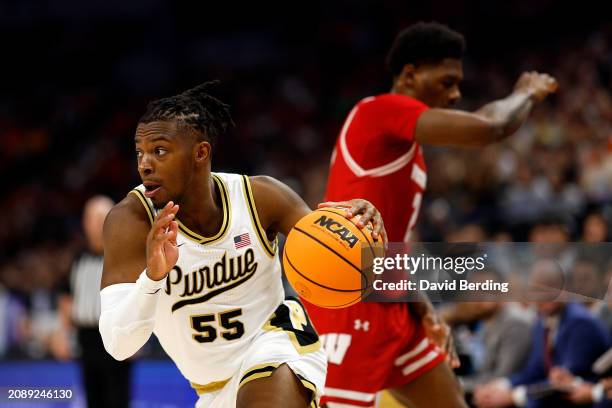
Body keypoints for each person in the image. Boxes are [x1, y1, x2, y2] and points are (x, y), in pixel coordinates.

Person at [304, 21, 557, 407]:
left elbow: (394, 247)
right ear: (410, 74)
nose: (456, 94)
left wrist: (419, 304)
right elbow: (491, 125)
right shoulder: (378, 112)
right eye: (447, 81)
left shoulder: (406, 147)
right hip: (351, 299)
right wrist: (526, 92)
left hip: (393, 305)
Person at [98, 82, 386, 408]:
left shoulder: (261, 198)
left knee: (271, 370)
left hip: (277, 343)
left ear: (200, 152)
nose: (144, 164)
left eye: (159, 151)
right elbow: (118, 346)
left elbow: (335, 253)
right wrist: (151, 278)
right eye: (140, 152)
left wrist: (364, 235)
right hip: (212, 390)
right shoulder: (130, 221)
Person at [61, 196, 132, 408]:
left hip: (117, 340)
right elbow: (66, 297)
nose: (98, 222)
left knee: (117, 400)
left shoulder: (126, 254)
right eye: (93, 217)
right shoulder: (77, 258)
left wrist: (138, 337)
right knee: (93, 399)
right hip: (86, 340)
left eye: (103, 217)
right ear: (84, 222)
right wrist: (62, 334)